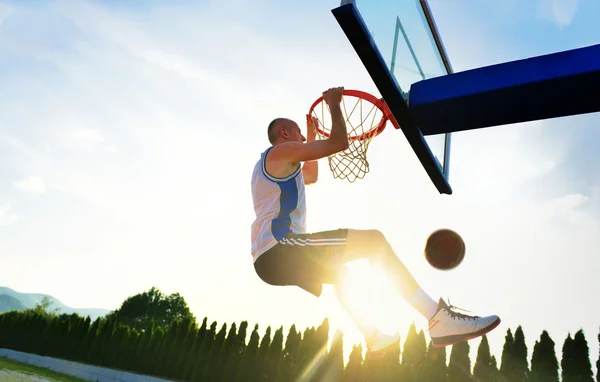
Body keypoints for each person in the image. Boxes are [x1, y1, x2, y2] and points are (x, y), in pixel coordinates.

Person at [250, 86, 500, 356]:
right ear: (285, 134)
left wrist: (310, 134)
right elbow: (338, 143)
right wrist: (334, 105)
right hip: (281, 248)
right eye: (297, 131)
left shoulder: (273, 165)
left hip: (268, 261)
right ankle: (437, 318)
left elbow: (310, 176)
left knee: (340, 274)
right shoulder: (279, 152)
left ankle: (372, 336)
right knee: (374, 242)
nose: (301, 136)